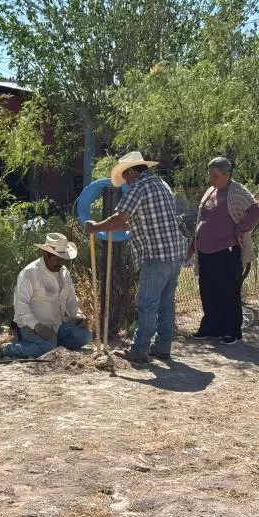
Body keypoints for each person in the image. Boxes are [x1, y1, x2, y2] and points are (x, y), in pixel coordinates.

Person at [85, 152, 185, 363]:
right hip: (174, 254)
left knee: (147, 304)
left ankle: (140, 349)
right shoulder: (161, 185)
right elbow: (139, 220)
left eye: (125, 175)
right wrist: (109, 226)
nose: (126, 180)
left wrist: (96, 227)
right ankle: (163, 348)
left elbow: (120, 219)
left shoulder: (139, 187)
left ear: (131, 171)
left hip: (156, 255)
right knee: (166, 304)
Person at [185, 157, 259, 345]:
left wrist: (239, 229)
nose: (212, 180)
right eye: (210, 176)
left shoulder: (237, 191)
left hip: (226, 250)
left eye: (216, 176)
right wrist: (191, 248)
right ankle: (211, 327)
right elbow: (201, 220)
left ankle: (232, 330)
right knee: (208, 291)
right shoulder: (210, 191)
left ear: (227, 174)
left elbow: (256, 211)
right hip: (205, 251)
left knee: (228, 291)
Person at [0, 233, 92, 361]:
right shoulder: (30, 273)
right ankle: (6, 349)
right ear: (46, 254)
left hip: (58, 326)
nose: (60, 262)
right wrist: (39, 327)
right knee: (48, 347)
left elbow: (71, 301)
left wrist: (78, 317)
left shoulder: (64, 273)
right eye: (57, 258)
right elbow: (21, 306)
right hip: (30, 327)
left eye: (63, 258)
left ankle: (48, 346)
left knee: (86, 336)